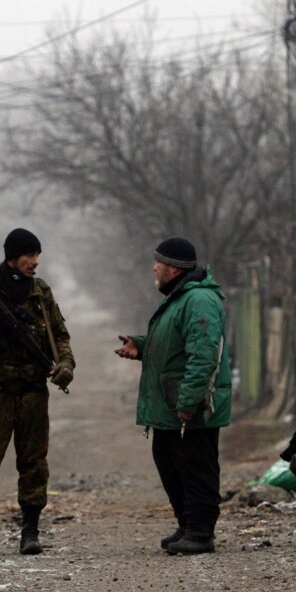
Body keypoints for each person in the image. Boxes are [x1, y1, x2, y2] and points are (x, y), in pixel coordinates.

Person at [0, 228, 74, 558]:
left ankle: (30, 532)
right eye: (29, 255)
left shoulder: (40, 292)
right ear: (12, 256)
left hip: (32, 392)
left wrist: (65, 364)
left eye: (38, 256)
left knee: (34, 463)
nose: (35, 262)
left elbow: (60, 335)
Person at [115, 236, 231, 555]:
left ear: (174, 268)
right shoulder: (178, 298)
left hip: (190, 405)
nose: (154, 267)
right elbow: (175, 344)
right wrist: (142, 345)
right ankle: (187, 524)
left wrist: (189, 400)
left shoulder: (200, 300)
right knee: (169, 462)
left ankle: (201, 531)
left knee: (196, 466)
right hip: (170, 403)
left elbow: (204, 354)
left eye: (159, 263)